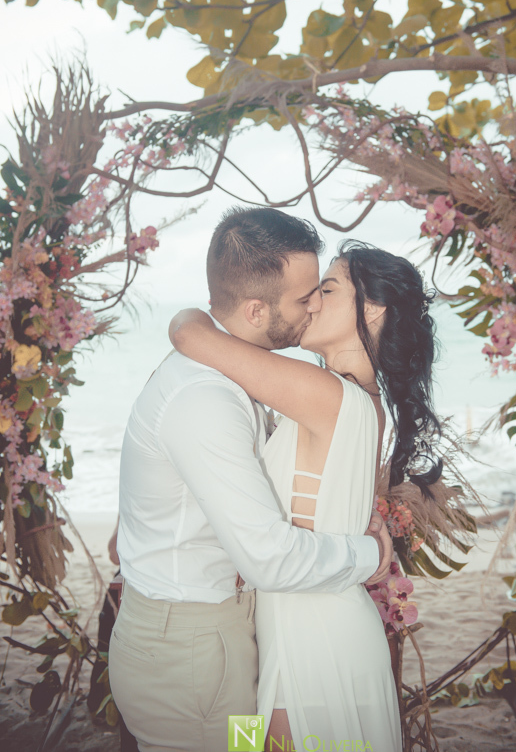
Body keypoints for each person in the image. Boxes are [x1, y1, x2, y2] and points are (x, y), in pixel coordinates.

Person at [108, 208, 392, 752]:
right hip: (192, 654)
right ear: (257, 309)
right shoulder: (207, 398)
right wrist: (369, 555)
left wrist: (189, 325)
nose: (313, 306)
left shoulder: (237, 373)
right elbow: (267, 558)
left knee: (250, 745)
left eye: (323, 291)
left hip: (227, 639)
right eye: (307, 295)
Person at [171, 239, 440, 752]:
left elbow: (188, 333)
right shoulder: (357, 396)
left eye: (328, 289)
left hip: (311, 638)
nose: (311, 301)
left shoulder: (327, 395)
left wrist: (196, 306)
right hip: (310, 622)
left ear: (374, 309)